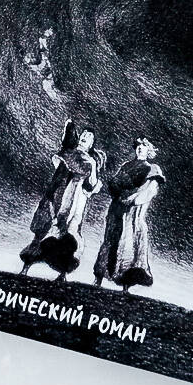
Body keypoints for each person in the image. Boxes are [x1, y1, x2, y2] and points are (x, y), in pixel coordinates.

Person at [20, 122, 105, 280]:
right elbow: (58, 167)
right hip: (57, 196)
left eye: (89, 136)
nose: (85, 137)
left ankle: (63, 273)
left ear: (92, 143)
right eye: (84, 134)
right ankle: (26, 267)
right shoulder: (68, 153)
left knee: (68, 236)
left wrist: (93, 167)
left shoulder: (91, 161)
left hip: (75, 202)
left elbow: (91, 185)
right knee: (43, 232)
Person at [93, 138, 165, 292]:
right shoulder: (126, 166)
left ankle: (125, 285)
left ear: (149, 149)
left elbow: (149, 191)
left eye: (144, 145)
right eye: (138, 145)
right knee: (110, 241)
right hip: (117, 210)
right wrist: (120, 193)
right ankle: (98, 278)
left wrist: (132, 198)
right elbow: (114, 183)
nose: (140, 148)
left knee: (128, 246)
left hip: (133, 215)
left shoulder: (152, 169)